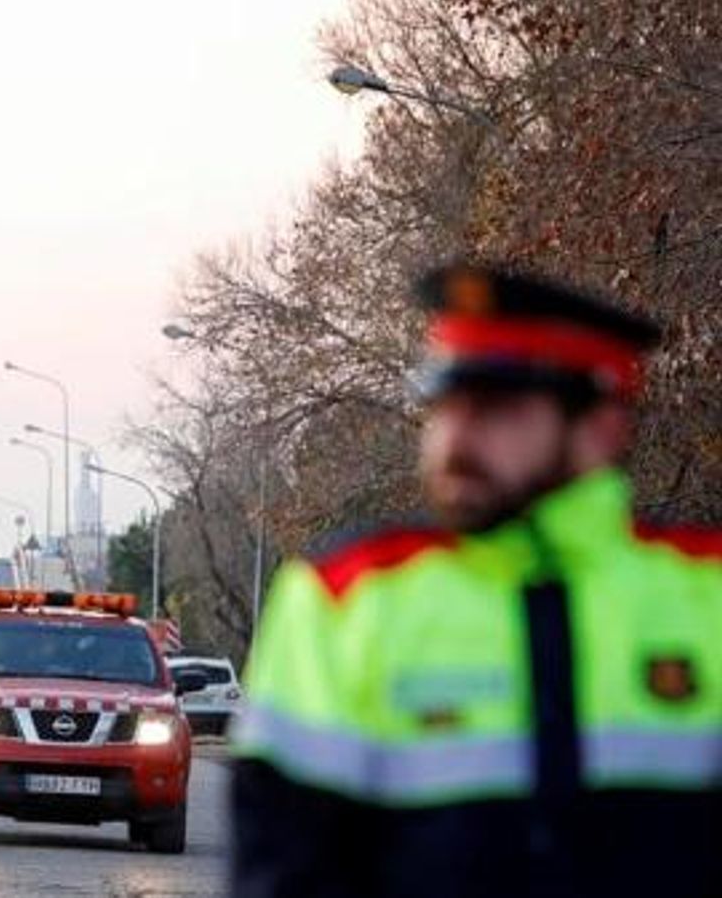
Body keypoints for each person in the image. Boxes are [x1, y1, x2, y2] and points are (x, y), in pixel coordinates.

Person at [230, 264, 722, 898]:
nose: (455, 439)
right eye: (444, 407)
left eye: (496, 410)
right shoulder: (347, 599)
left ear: (600, 429)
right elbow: (284, 871)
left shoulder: (702, 593)